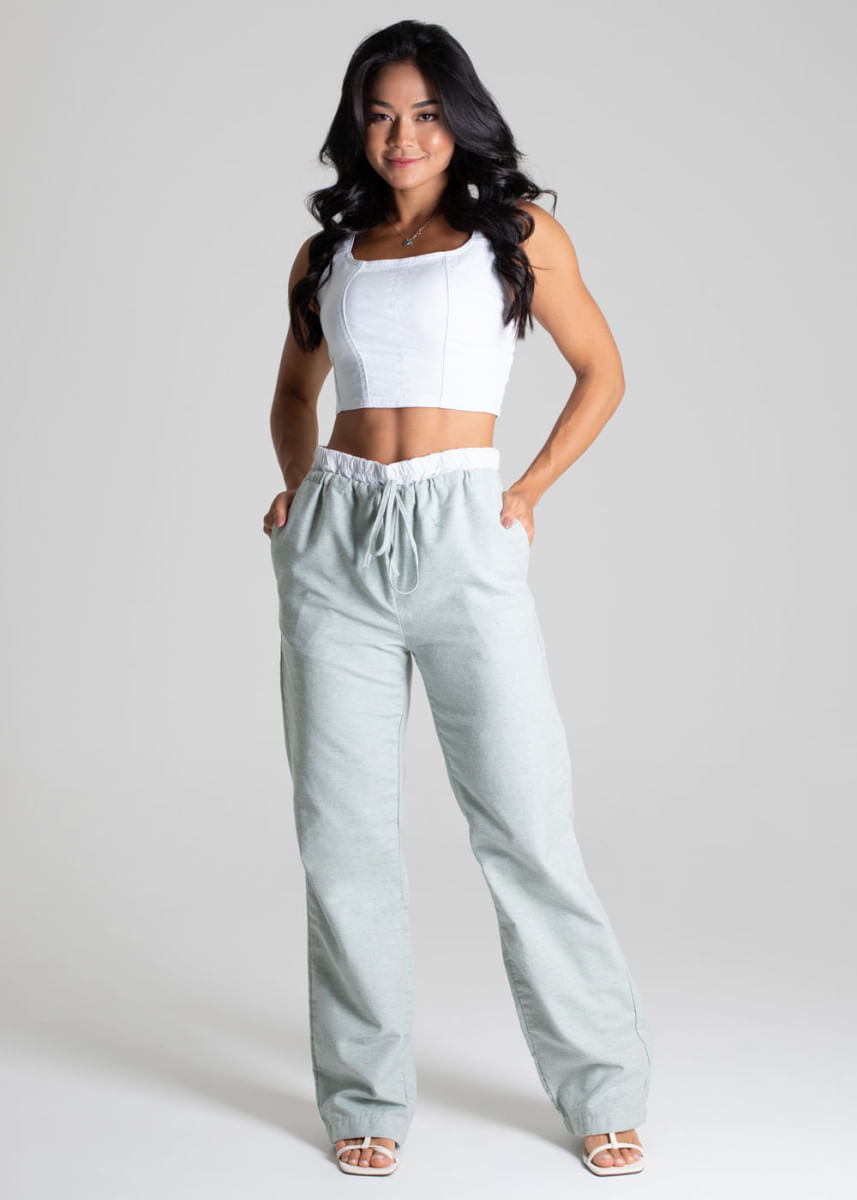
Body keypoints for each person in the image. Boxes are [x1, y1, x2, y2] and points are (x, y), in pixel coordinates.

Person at [263, 19, 653, 1179]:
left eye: (425, 113)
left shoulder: (514, 235)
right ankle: (364, 1094)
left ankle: (601, 1087)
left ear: (458, 118)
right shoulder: (326, 254)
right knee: (341, 837)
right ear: (356, 125)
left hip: (459, 534)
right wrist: (297, 489)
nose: (402, 135)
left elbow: (602, 371)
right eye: (381, 114)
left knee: (524, 824)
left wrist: (524, 490)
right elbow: (292, 391)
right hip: (337, 541)